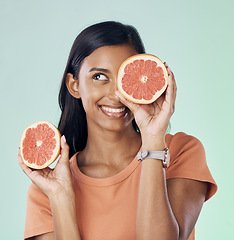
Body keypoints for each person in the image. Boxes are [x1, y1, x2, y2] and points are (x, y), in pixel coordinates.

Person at [18, 21, 217, 240]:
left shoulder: (181, 151)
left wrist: (152, 140)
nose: (115, 94)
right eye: (99, 77)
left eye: (125, 78)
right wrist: (60, 198)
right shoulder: (46, 189)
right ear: (74, 86)